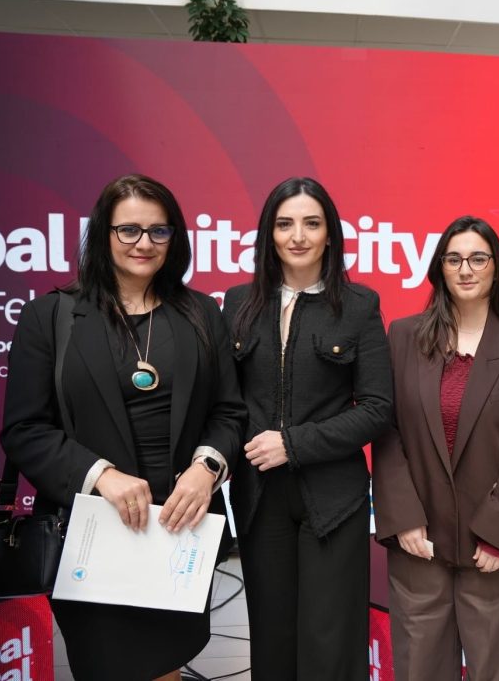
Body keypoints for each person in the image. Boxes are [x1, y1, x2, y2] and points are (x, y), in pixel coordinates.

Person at [0, 174, 245, 681]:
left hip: (180, 531)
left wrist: (207, 468)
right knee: (108, 667)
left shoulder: (201, 312)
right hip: (91, 531)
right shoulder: (51, 316)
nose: (144, 244)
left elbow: (230, 412)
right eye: (128, 230)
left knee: (165, 666)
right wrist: (100, 475)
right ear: (102, 234)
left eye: (159, 232)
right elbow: (24, 429)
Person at [223, 176, 393, 680]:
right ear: (268, 234)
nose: (298, 235)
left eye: (311, 223)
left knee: (329, 642)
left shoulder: (359, 305)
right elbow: (226, 401)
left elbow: (378, 407)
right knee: (272, 640)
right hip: (259, 497)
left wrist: (292, 444)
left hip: (332, 498)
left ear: (329, 234)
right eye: (285, 223)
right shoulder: (238, 303)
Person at [372, 215, 499, 680]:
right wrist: (404, 517)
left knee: (493, 668)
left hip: (494, 543)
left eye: (478, 258)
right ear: (440, 269)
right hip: (419, 539)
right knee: (420, 667)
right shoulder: (404, 336)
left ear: (496, 268)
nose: (466, 269)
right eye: (454, 259)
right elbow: (387, 432)